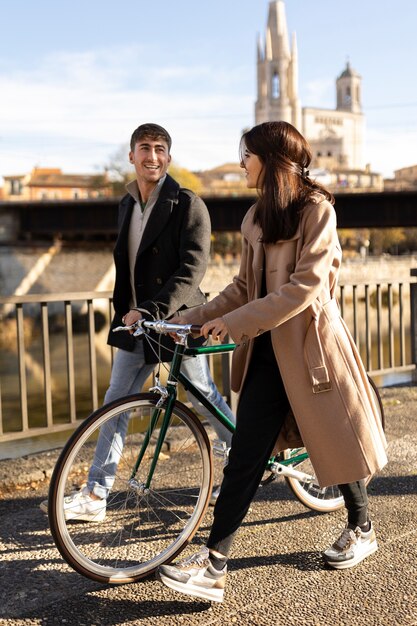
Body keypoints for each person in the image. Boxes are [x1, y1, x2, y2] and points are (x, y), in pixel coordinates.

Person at [157, 121, 388, 603]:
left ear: (271, 159)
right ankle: (215, 565)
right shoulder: (256, 217)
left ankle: (362, 526)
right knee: (244, 458)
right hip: (264, 351)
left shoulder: (317, 212)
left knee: (334, 439)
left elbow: (305, 289)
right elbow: (243, 288)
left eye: (247, 154)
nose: (241, 162)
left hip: (310, 350)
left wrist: (237, 322)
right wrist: (191, 318)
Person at [40, 123, 235, 520]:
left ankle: (242, 459)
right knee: (116, 403)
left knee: (204, 397)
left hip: (176, 321)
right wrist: (133, 313)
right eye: (144, 148)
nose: (152, 156)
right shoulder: (126, 204)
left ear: (168, 156)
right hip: (136, 326)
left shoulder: (187, 203)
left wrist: (151, 309)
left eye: (160, 149)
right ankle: (96, 495)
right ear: (132, 156)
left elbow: (191, 270)